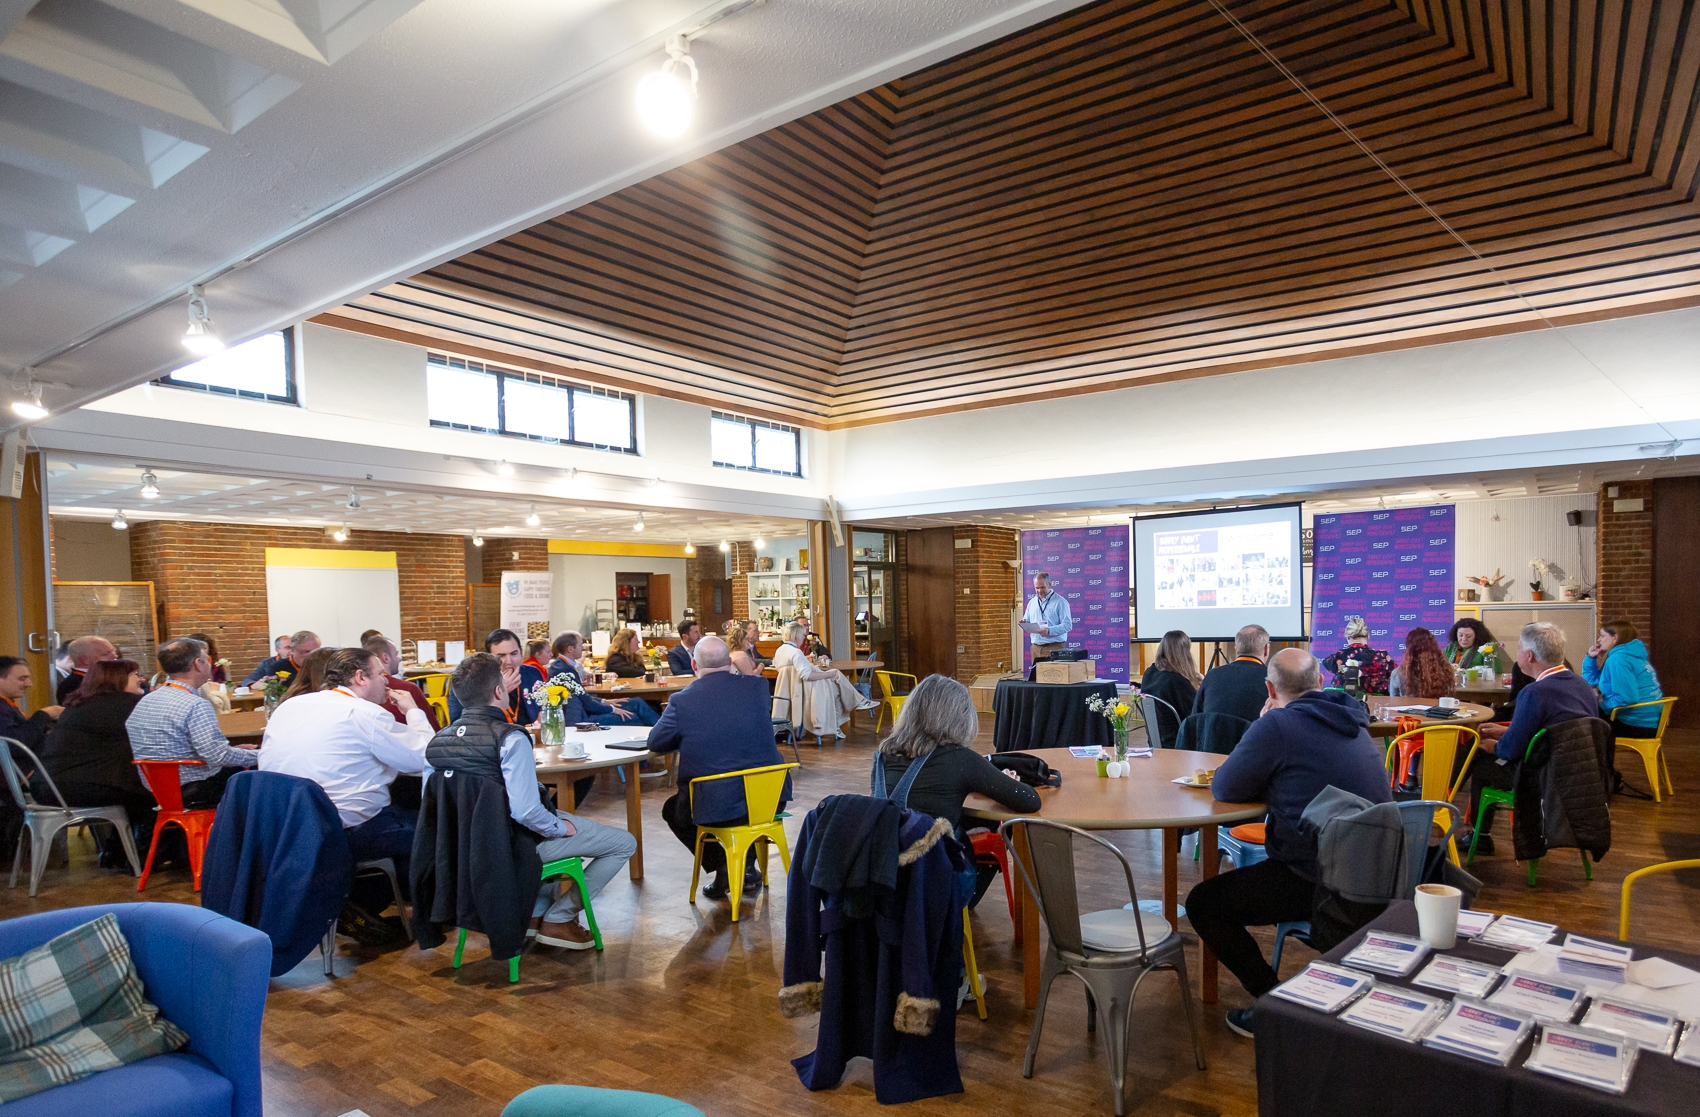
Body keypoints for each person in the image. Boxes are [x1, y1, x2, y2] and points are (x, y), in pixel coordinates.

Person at [1184, 649, 1392, 1037]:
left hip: (1318, 880)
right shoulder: (1352, 719)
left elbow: (1226, 786)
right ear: (1321, 683)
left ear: (1269, 688)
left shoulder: (1277, 725)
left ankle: (1272, 1002)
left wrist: (1261, 725)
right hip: (1382, 873)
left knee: (1203, 904)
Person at [432, 652, 636, 949]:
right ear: (499, 691)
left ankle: (535, 914)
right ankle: (560, 918)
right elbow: (526, 811)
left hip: (467, 850)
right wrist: (558, 827)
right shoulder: (510, 738)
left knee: (559, 823)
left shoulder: (439, 742)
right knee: (623, 842)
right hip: (511, 847)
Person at [260, 646, 433, 911]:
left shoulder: (289, 706)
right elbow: (425, 755)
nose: (387, 682)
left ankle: (362, 904)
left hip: (285, 827)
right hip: (341, 829)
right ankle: (424, 913)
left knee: (399, 816)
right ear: (361, 677)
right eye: (381, 675)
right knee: (430, 828)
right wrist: (412, 711)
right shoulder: (363, 713)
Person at [872, 675, 1040, 902]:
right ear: (957, 718)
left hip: (882, 875)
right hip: (932, 884)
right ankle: (963, 906)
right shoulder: (960, 759)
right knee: (994, 826)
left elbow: (923, 795)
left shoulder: (882, 756)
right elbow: (1029, 800)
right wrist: (1009, 781)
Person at [649, 636, 788, 900]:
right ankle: (745, 866)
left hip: (717, 806)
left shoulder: (682, 700)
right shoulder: (758, 687)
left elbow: (656, 741)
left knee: (675, 809)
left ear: (693, 664)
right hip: (770, 798)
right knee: (741, 806)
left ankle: (724, 868)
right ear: (729, 661)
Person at [1469, 622, 1600, 852]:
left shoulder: (1534, 692)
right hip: (1579, 777)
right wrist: (1504, 731)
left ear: (1529, 656)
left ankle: (1479, 837)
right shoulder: (1581, 685)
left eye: (1518, 648)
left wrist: (1489, 744)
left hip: (1543, 778)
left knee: (1479, 762)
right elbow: (1548, 730)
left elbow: (1509, 751)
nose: (1517, 653)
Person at [35, 659, 154, 869]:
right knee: (157, 794)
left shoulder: (80, 703)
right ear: (119, 679)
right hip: (76, 787)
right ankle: (145, 856)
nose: (141, 679)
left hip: (49, 784)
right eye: (135, 674)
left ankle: (118, 853)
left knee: (137, 789)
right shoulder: (124, 704)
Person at [126, 637, 257, 808]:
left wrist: (235, 751)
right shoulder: (195, 704)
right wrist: (261, 755)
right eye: (207, 659)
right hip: (193, 789)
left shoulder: (146, 700)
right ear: (198, 664)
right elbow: (218, 756)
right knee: (262, 779)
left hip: (158, 790)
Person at [1583, 620, 1663, 792]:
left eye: (1603, 635)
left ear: (1615, 638)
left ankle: (1604, 780)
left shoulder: (1618, 659)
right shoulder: (1630, 655)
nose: (1599, 640)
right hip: (1648, 722)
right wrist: (1591, 658)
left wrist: (1602, 703)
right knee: (1593, 719)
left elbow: (1627, 697)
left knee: (1590, 724)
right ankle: (1606, 777)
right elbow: (1594, 680)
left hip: (1637, 724)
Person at [772, 621, 878, 739]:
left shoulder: (780, 650)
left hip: (793, 690)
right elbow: (807, 675)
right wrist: (827, 675)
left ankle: (853, 707)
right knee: (837, 688)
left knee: (837, 684)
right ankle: (854, 705)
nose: (804, 637)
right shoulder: (795, 652)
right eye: (802, 634)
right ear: (796, 635)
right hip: (806, 692)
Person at [546, 632, 656, 727]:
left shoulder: (562, 666)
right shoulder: (563, 670)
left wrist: (604, 701)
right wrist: (612, 709)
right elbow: (587, 703)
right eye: (580, 645)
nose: (583, 648)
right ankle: (665, 736)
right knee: (635, 717)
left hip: (586, 710)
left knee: (636, 702)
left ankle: (666, 733)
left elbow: (583, 697)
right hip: (583, 718)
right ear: (570, 649)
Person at [448, 629, 543, 722]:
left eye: (514, 654)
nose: (509, 661)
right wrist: (498, 693)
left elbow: (543, 708)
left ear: (521, 652)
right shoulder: (470, 679)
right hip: (491, 735)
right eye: (501, 656)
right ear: (489, 657)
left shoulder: (532, 673)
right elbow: (458, 721)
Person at [1192, 624, 1271, 724]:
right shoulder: (1272, 680)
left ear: (1236, 648)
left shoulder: (1212, 676)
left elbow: (1194, 721)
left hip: (1213, 738)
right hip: (1254, 738)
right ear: (1266, 649)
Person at [1139, 630, 1200, 749]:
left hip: (1156, 740)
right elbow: (1195, 716)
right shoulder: (1177, 681)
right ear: (1184, 653)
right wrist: (1201, 688)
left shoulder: (1150, 672)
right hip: (1179, 742)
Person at [365, 635, 440, 730]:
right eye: (396, 655)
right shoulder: (408, 689)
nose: (399, 659)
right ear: (386, 658)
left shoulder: (360, 692)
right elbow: (433, 729)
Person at [0, 655, 60, 753]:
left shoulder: (5, 705)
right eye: (22, 679)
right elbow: (15, 745)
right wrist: (44, 713)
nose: (29, 684)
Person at [1320, 617, 1394, 695]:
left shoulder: (1338, 657)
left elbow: (1325, 662)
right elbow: (1395, 676)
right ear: (1368, 636)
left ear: (1348, 637)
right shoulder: (1382, 657)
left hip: (1344, 704)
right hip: (1377, 704)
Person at [1388, 627, 1455, 698]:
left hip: (1407, 708)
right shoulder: (1445, 670)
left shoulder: (1397, 673)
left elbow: (1394, 701)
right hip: (1437, 708)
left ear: (1408, 648)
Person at [1021, 571, 1072, 661]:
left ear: (1050, 584)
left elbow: (1067, 625)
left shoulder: (1060, 602)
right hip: (1035, 648)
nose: (1039, 591)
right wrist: (1024, 624)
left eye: (1042, 587)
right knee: (1036, 675)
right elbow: (1026, 621)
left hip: (1054, 648)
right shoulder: (1032, 602)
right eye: (1037, 588)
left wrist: (1049, 631)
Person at [56, 636, 117, 705]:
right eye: (105, 654)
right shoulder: (75, 685)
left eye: (113, 651)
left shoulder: (96, 679)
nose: (114, 656)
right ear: (86, 660)